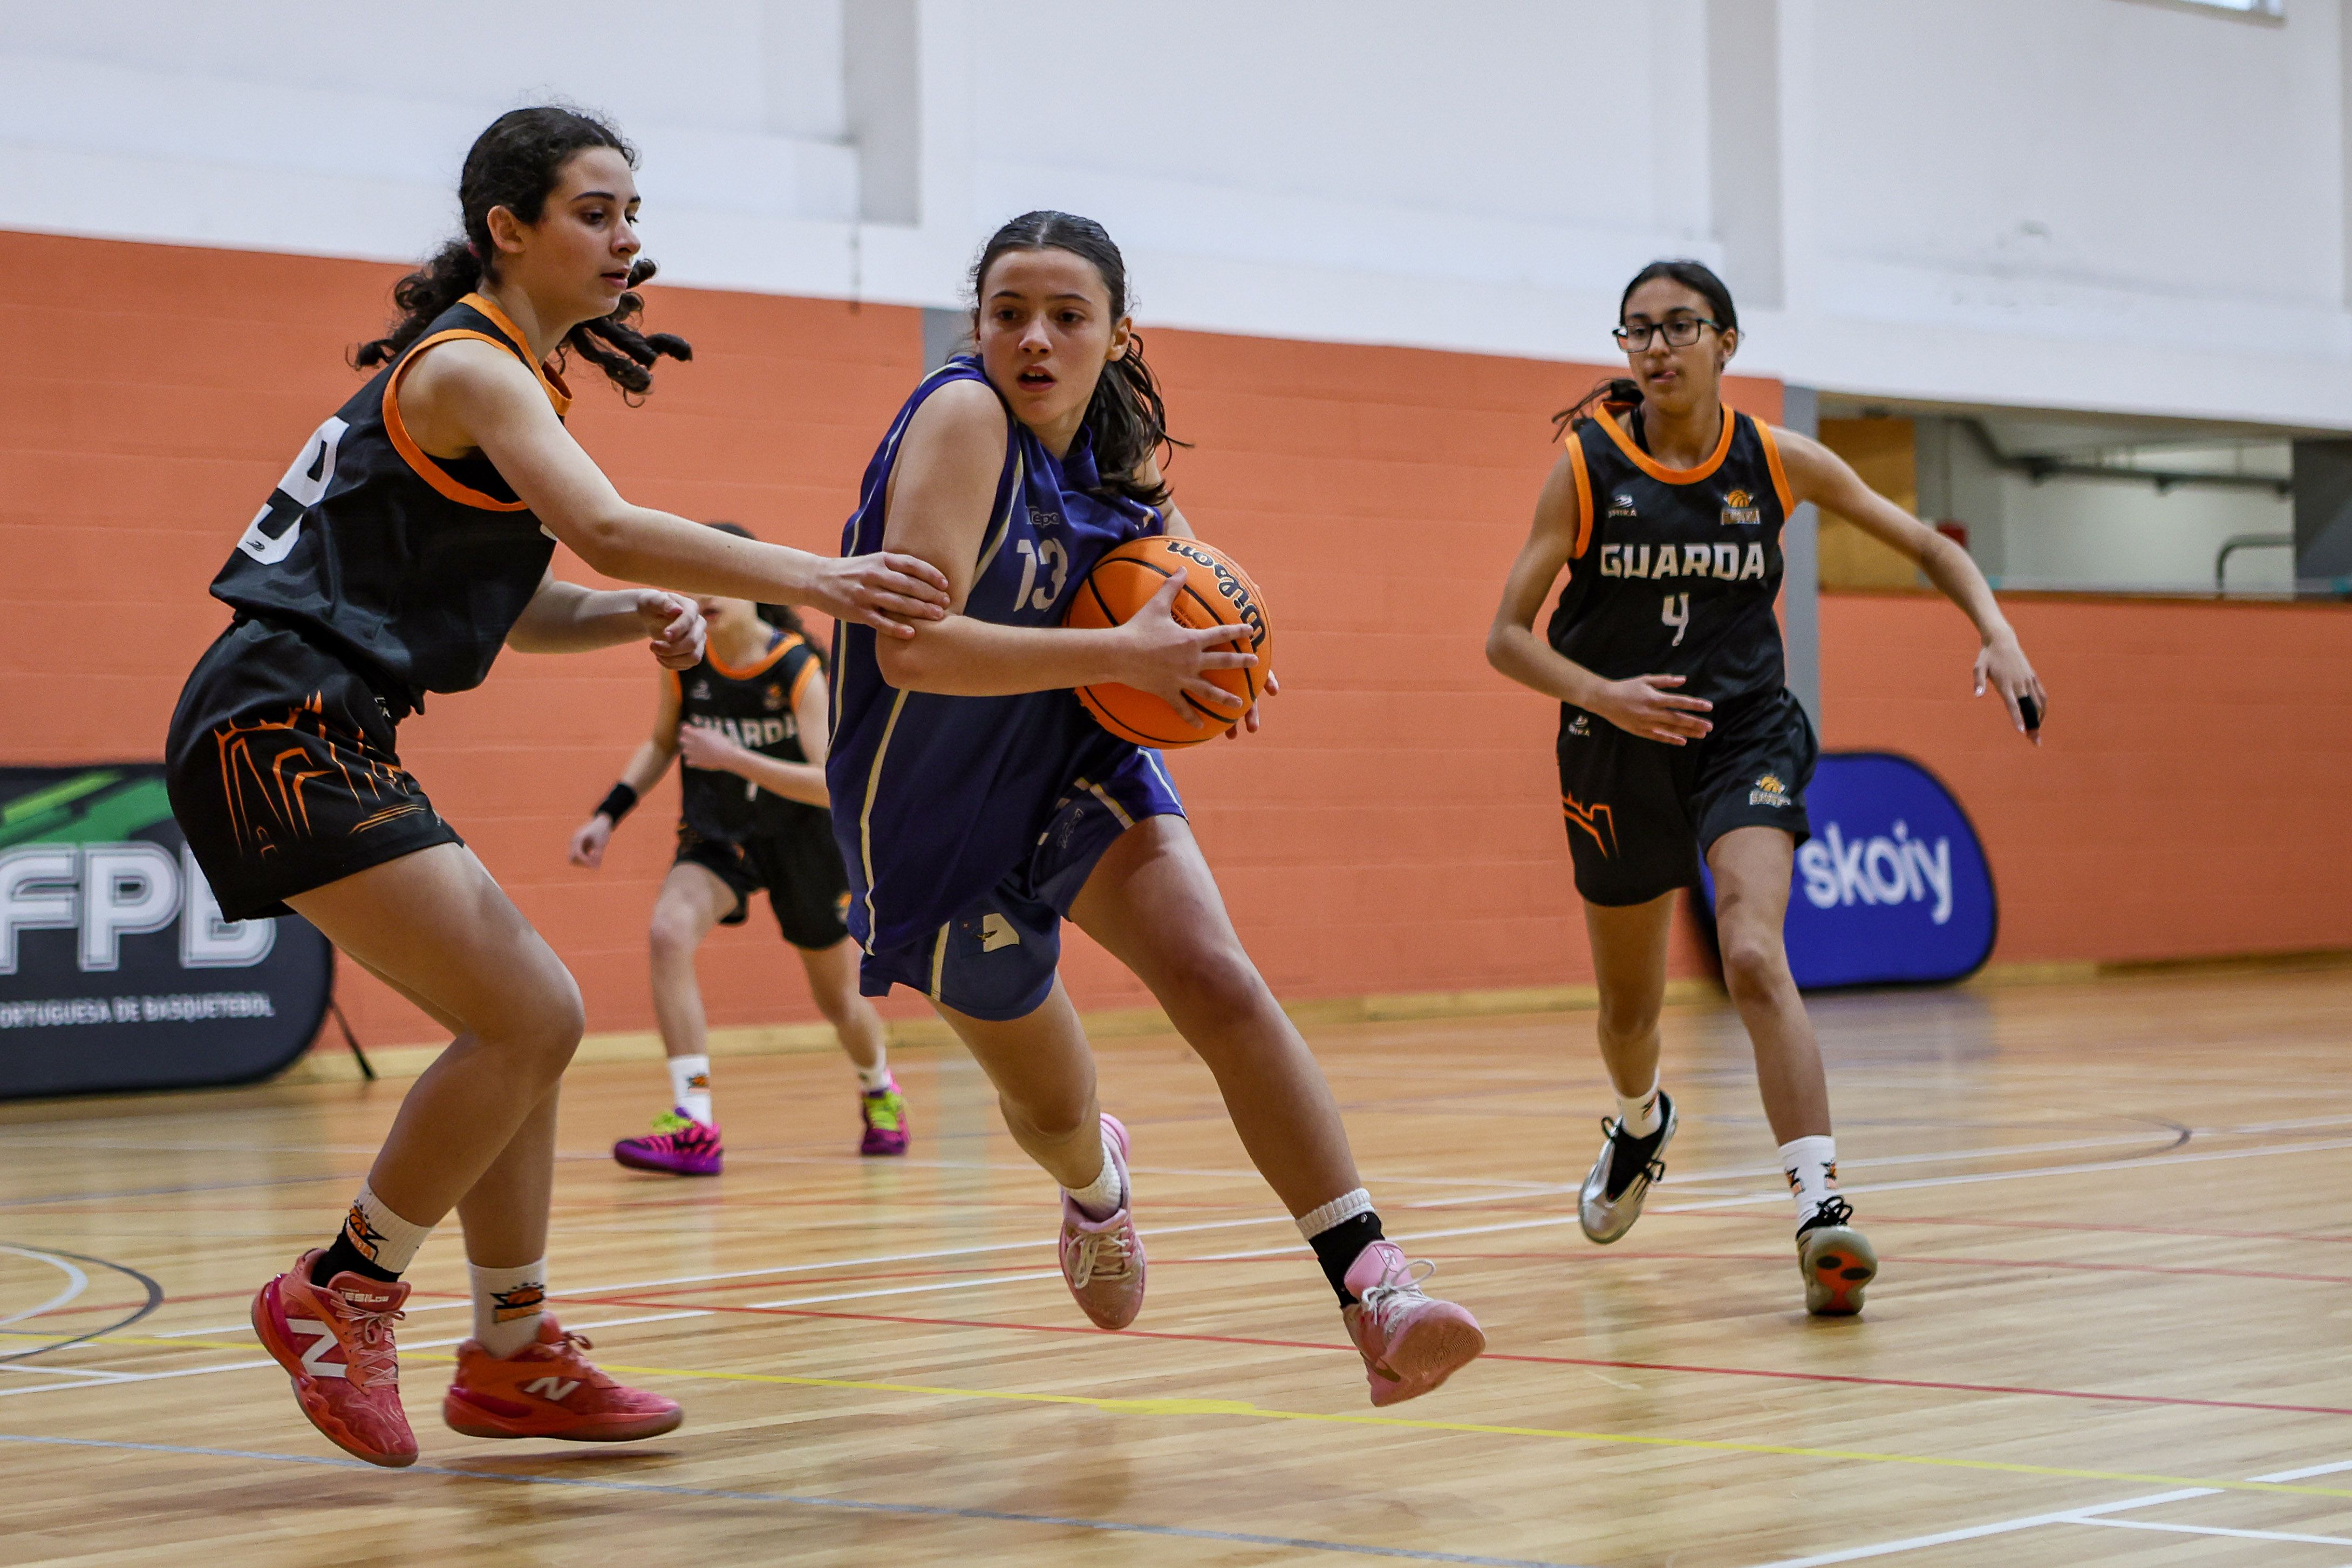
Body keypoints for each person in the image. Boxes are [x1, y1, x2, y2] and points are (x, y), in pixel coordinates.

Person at [162, 106, 949, 1467]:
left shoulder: (502, 380)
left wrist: (632, 608)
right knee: (529, 1016)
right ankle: (338, 1291)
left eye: (634, 214)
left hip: (313, 723)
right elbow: (598, 520)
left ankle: (513, 1353)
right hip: (276, 722)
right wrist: (816, 579)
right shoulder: (471, 368)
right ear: (507, 229)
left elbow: (528, 604)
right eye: (595, 211)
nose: (626, 238)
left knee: (527, 1023)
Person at [827, 209, 1484, 1405]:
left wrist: (1211, 653)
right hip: (928, 813)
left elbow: (1179, 587)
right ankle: (1096, 1187)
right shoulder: (962, 416)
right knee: (1052, 1106)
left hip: (1074, 756)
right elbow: (912, 655)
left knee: (1216, 974)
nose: (1033, 339)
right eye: (1007, 313)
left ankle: (1372, 1283)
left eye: (1066, 317)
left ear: (1118, 335)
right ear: (976, 324)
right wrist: (1129, 658)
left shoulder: (1120, 444)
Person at [1485, 259, 2048, 1315]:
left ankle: (1820, 1207)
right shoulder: (1583, 468)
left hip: (1742, 730)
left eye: (1679, 326)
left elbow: (1927, 543)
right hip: (1612, 739)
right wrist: (1602, 694)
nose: (1655, 347)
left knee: (1751, 950)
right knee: (1627, 1011)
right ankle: (1639, 1120)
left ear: (1726, 343)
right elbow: (1503, 638)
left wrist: (1998, 631)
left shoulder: (1776, 463)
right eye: (1636, 330)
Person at [569, 524, 908, 1172]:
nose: (705, 595)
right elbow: (663, 741)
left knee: (838, 998)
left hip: (804, 838)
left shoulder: (797, 669)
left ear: (754, 589)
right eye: (692, 584)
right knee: (669, 932)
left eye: (721, 581)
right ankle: (694, 1119)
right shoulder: (685, 662)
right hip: (720, 833)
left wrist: (737, 759)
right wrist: (608, 813)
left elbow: (833, 788)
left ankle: (878, 1087)